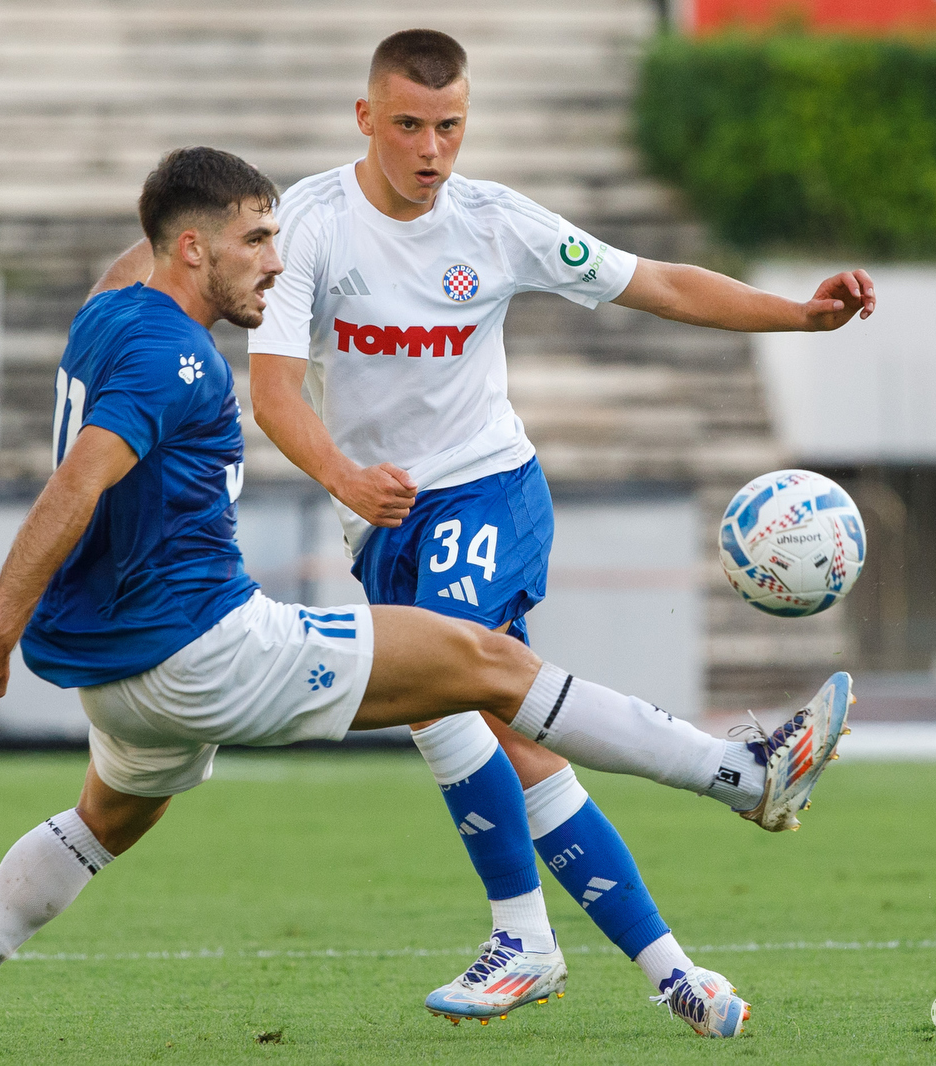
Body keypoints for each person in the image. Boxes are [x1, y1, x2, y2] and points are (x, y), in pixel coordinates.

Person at [0, 146, 850, 1054]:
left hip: (114, 677)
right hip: (207, 650)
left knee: (104, 821)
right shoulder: (180, 360)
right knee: (484, 663)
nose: (276, 258)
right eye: (256, 240)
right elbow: (77, 484)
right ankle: (742, 775)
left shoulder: (106, 310)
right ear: (195, 249)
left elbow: (147, 254)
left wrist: (201, 214)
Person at [93, 29, 874, 1032]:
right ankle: (677, 961)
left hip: (486, 490)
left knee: (458, 700)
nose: (431, 150)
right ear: (366, 119)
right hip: (380, 522)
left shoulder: (496, 223)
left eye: (450, 127)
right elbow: (275, 393)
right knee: (502, 727)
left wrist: (796, 318)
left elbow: (659, 283)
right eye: (410, 125)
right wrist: (345, 479)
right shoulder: (311, 228)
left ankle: (557, 913)